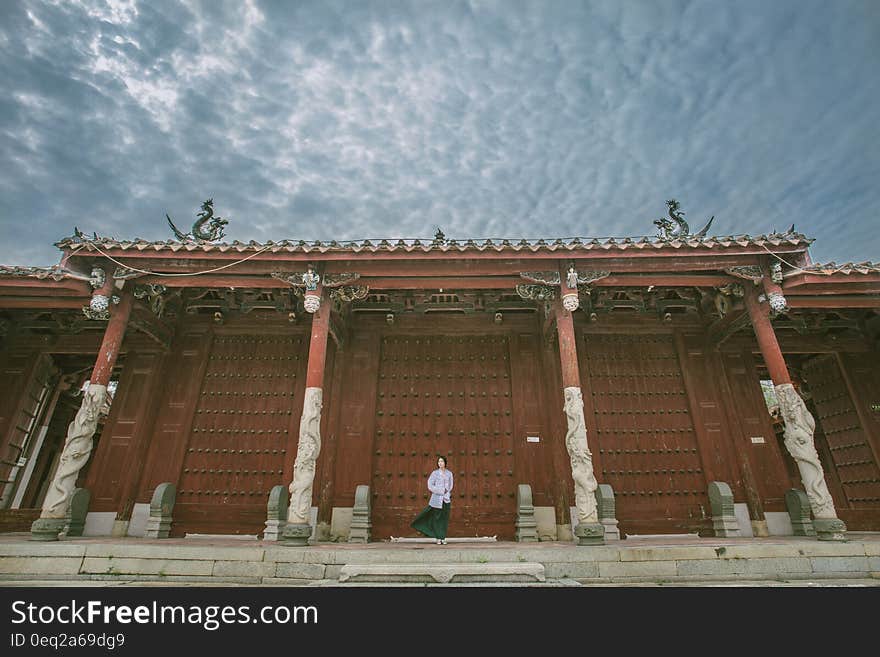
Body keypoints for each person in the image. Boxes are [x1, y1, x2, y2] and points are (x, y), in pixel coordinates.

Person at [410, 455, 453, 544]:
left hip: (446, 499)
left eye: (442, 461)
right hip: (436, 499)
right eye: (439, 462)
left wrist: (447, 491)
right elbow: (430, 485)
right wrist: (440, 491)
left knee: (444, 519)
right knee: (437, 518)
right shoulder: (435, 473)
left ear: (445, 463)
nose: (440, 463)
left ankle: (443, 538)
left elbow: (451, 485)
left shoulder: (449, 473)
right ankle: (438, 538)